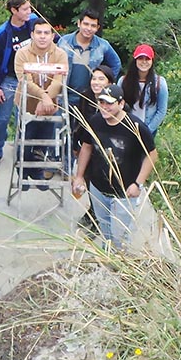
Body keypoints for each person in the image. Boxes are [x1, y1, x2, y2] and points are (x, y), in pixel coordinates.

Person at [71, 84, 157, 251]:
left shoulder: (135, 127)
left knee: (120, 238)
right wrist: (80, 175)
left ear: (121, 103)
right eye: (101, 102)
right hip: (98, 189)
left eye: (109, 103)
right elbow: (87, 146)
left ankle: (120, 268)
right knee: (105, 232)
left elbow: (152, 155)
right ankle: (107, 263)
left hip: (124, 193)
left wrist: (138, 183)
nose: (104, 107)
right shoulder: (95, 121)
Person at [0, 0, 38, 173]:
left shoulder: (33, 23)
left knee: (27, 117)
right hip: (9, 80)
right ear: (14, 10)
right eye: (25, 9)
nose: (29, 12)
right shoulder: (2, 33)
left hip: (29, 78)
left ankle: (24, 151)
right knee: (3, 119)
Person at [14, 20, 68, 183]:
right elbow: (25, 80)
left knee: (44, 141)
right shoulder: (22, 53)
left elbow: (59, 80)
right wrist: (42, 97)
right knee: (25, 141)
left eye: (46, 33)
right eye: (39, 33)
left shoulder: (60, 54)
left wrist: (46, 100)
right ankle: (22, 173)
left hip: (49, 106)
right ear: (32, 35)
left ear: (52, 36)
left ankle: (37, 172)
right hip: (27, 104)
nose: (42, 37)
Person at [72, 64, 115, 235]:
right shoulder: (86, 96)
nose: (96, 82)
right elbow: (80, 122)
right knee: (88, 181)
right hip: (88, 145)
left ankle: (99, 219)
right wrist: (77, 144)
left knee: (101, 183)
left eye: (101, 79)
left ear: (109, 83)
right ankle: (92, 211)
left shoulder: (114, 103)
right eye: (94, 78)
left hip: (106, 150)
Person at [57, 9, 121, 111]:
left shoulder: (102, 45)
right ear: (79, 23)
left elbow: (116, 64)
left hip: (89, 99)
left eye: (93, 26)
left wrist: (105, 82)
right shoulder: (64, 42)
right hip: (63, 96)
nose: (88, 28)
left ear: (97, 28)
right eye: (86, 24)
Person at [118, 43, 169, 137]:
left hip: (148, 130)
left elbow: (161, 111)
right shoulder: (123, 81)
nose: (144, 62)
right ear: (135, 60)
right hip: (126, 129)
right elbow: (117, 105)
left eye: (147, 59)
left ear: (152, 61)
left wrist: (147, 131)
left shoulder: (160, 83)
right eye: (140, 58)